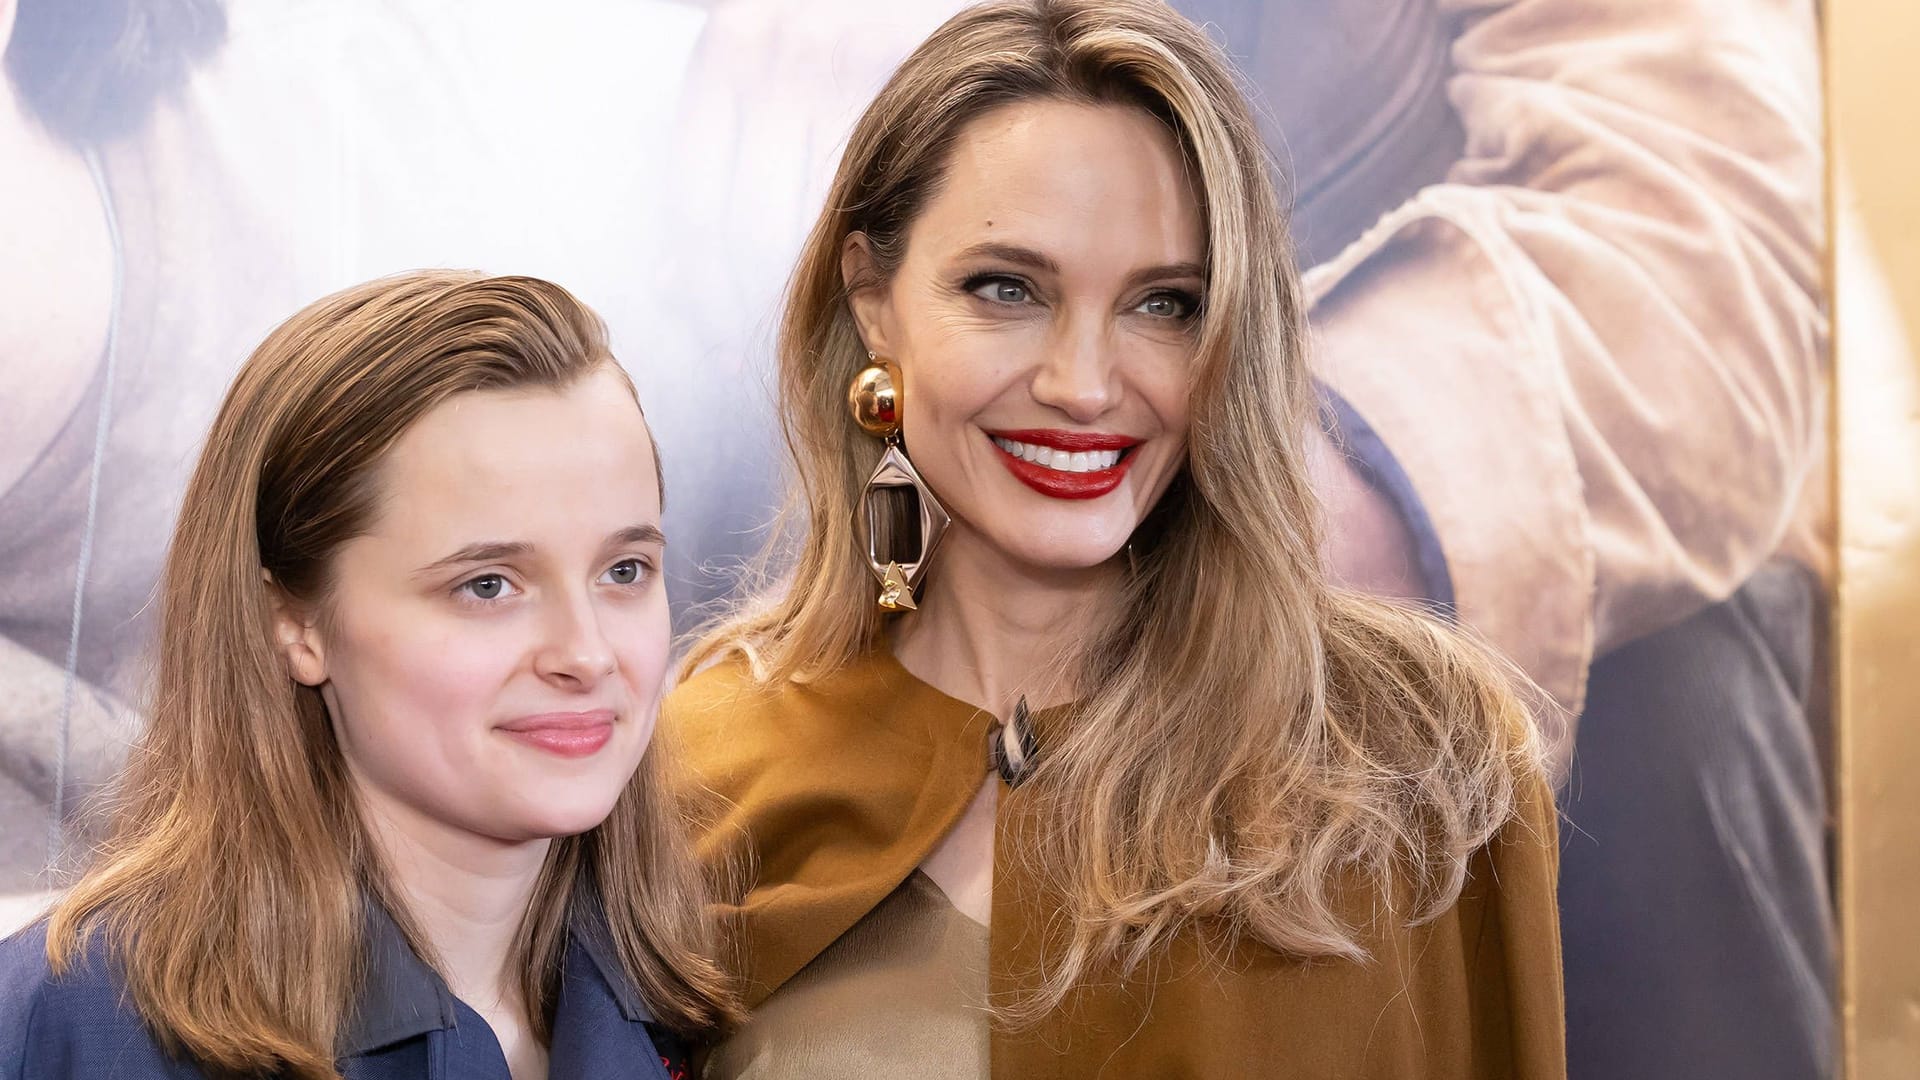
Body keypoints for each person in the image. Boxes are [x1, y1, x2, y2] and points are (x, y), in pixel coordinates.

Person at [664, 2, 1565, 1077]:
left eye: (1164, 306)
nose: (1082, 385)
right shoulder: (702, 762)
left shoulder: (1424, 754)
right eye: (1006, 289)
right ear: (873, 299)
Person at [0, 271, 736, 1078]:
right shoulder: (71, 1030)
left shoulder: (701, 1018)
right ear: (294, 621)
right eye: (486, 585)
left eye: (624, 571)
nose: (588, 654)